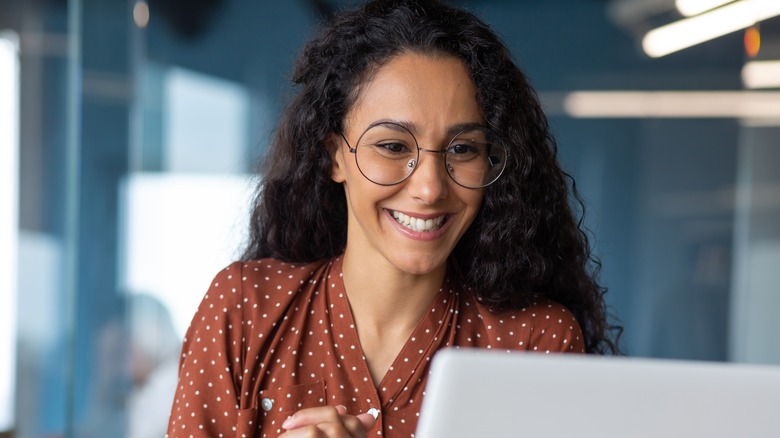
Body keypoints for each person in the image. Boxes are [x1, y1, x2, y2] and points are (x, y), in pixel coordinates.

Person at [166, 0, 621, 436]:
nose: (429, 188)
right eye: (393, 146)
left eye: (463, 150)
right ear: (335, 158)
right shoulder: (245, 309)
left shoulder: (533, 343)